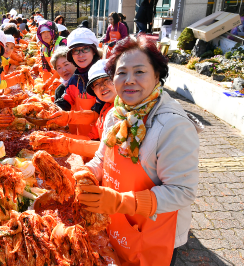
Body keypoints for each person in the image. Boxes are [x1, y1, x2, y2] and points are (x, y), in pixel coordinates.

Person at [75, 36, 201, 266]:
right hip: (119, 224)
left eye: (140, 71)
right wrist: (84, 175)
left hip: (155, 231)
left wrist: (120, 201)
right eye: (121, 73)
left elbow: (182, 192)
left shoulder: (174, 126)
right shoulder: (117, 114)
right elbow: (101, 158)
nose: (129, 80)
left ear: (157, 75)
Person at [54, 28, 102, 139]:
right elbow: (67, 99)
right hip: (82, 136)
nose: (80, 55)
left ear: (94, 50)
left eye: (85, 49)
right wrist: (53, 110)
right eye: (76, 50)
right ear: (71, 54)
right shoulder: (74, 79)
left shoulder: (103, 76)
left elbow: (100, 112)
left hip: (100, 139)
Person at [37, 21, 67, 90]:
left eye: (48, 32)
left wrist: (49, 82)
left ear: (54, 32)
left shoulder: (63, 42)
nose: (46, 35)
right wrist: (45, 89)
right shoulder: (43, 46)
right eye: (43, 33)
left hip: (67, 79)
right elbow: (46, 69)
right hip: (56, 78)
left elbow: (64, 67)